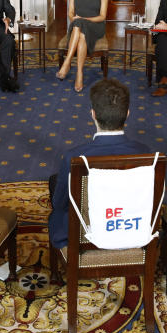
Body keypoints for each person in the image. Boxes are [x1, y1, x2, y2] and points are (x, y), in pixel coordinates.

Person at [47, 78, 150, 249]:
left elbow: (60, 204)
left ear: (93, 114)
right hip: (132, 229)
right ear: (127, 114)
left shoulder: (75, 158)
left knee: (56, 184)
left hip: (85, 233)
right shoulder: (147, 154)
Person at [57, 0, 109, 92]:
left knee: (81, 24)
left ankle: (67, 62)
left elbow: (102, 16)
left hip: (96, 25)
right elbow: (70, 12)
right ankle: (79, 73)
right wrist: (74, 19)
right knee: (81, 32)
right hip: (77, 26)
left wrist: (83, 19)